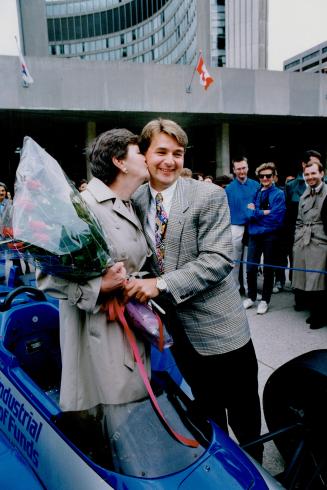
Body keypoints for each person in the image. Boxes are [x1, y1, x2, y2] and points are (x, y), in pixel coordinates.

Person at [125, 118, 263, 462]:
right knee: (208, 417)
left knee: (246, 423)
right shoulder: (136, 199)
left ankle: (256, 477)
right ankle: (224, 473)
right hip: (182, 335)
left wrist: (158, 284)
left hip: (223, 332)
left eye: (178, 153)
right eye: (161, 152)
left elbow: (218, 260)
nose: (170, 160)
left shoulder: (209, 195)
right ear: (144, 155)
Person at [36, 129, 151, 466]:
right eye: (138, 151)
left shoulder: (131, 202)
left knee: (130, 423)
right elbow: (47, 277)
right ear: (119, 162)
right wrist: (100, 285)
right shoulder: (82, 208)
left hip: (130, 326)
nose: (145, 156)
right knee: (114, 429)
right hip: (98, 338)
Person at [243, 162, 286, 315]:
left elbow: (276, 217)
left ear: (274, 176)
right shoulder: (256, 192)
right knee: (250, 267)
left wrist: (257, 214)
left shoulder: (279, 194)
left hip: (270, 235)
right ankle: (252, 297)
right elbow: (247, 214)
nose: (265, 178)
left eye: (268, 175)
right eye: (262, 176)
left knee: (268, 269)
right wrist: (264, 213)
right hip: (254, 235)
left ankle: (265, 300)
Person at [292, 160, 327, 329]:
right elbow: (299, 220)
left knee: (318, 280)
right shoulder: (305, 194)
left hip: (320, 242)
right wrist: (297, 238)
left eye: (313, 173)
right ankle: (315, 312)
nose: (310, 177)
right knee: (307, 279)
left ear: (322, 173)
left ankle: (320, 316)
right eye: (307, 174)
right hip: (303, 242)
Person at [285, 150, 322, 309]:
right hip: (299, 235)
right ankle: (300, 300)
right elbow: (289, 213)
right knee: (298, 270)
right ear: (303, 166)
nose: (311, 174)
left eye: (316, 166)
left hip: (318, 238)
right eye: (310, 164)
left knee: (316, 274)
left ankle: (315, 305)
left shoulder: (324, 186)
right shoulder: (292, 186)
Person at [225, 157, 260, 294]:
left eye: (243, 168)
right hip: (235, 227)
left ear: (248, 168)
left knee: (249, 261)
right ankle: (236, 288)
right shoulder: (228, 189)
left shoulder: (256, 185)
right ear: (234, 170)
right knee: (235, 261)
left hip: (252, 226)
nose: (241, 171)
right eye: (238, 169)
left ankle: (250, 288)